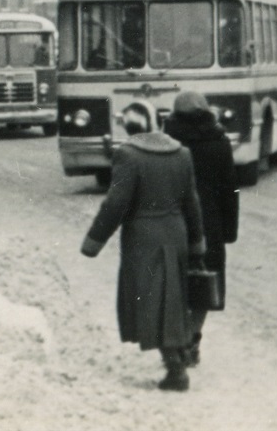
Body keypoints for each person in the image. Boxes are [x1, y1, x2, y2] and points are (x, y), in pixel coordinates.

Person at [80, 104, 205, 392]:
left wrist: (94, 242)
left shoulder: (128, 155)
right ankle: (180, 353)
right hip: (176, 233)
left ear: (128, 127)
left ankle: (176, 369)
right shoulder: (182, 154)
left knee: (153, 303)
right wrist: (197, 242)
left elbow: (116, 204)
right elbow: (192, 202)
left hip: (144, 238)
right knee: (171, 299)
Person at [162, 91, 238, 368]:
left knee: (175, 283)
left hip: (172, 222)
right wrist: (229, 231)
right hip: (210, 224)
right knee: (205, 283)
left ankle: (177, 338)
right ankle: (192, 338)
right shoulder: (219, 142)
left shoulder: (168, 142)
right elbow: (230, 190)